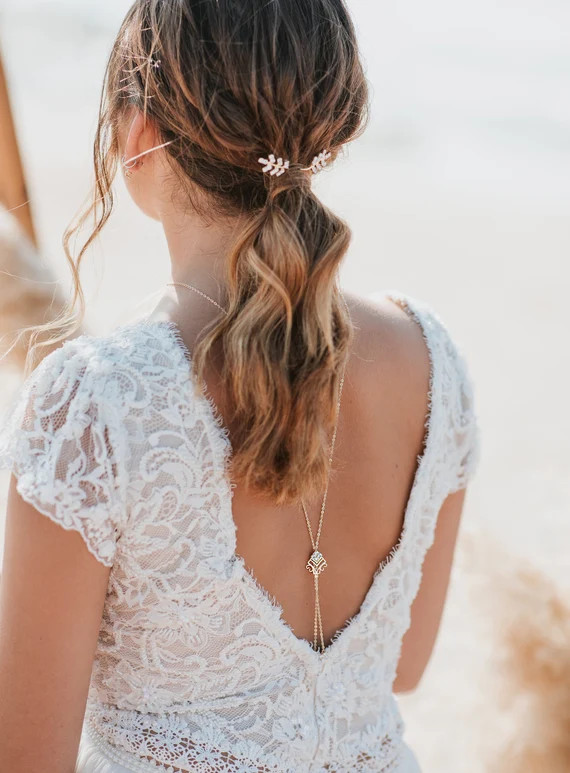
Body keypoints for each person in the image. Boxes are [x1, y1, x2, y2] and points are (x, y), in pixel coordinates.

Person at [0, 1, 480, 771]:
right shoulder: (433, 363)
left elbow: (26, 756)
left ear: (137, 134)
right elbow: (404, 663)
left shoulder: (93, 400)